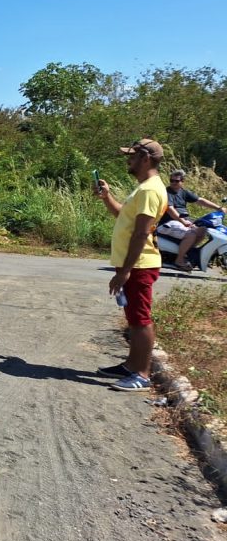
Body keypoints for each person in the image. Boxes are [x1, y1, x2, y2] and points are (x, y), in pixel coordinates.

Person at [94, 138, 169, 392]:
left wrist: (125, 271)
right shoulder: (144, 187)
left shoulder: (149, 190)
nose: (128, 159)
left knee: (140, 320)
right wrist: (107, 197)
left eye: (132, 156)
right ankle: (130, 365)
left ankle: (142, 373)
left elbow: (141, 234)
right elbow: (122, 216)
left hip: (139, 266)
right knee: (134, 317)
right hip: (134, 265)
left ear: (145, 159)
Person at [155, 169, 227, 271]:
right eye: (172, 180)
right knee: (191, 234)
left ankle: (187, 254)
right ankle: (179, 260)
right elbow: (170, 210)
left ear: (182, 181)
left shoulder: (183, 192)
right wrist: (183, 222)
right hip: (168, 223)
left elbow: (200, 200)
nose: (174, 183)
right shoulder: (167, 193)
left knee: (203, 230)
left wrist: (218, 208)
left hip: (181, 222)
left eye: (177, 181)